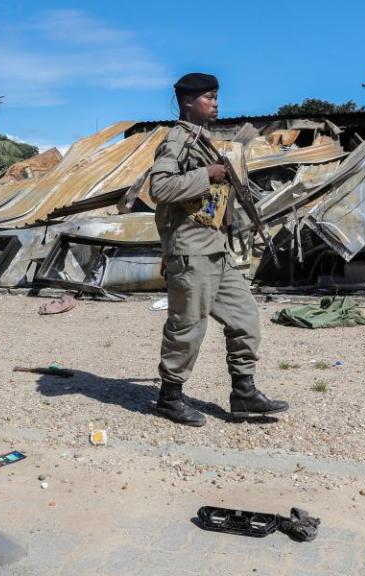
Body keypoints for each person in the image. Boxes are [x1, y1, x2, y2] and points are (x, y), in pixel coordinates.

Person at [149, 72, 288, 427]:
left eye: (215, 97)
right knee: (187, 327)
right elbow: (160, 188)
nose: (216, 103)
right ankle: (169, 397)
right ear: (187, 102)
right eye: (209, 97)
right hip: (190, 251)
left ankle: (243, 393)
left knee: (245, 318)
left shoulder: (203, 140)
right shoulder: (177, 140)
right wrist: (207, 174)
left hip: (216, 249)